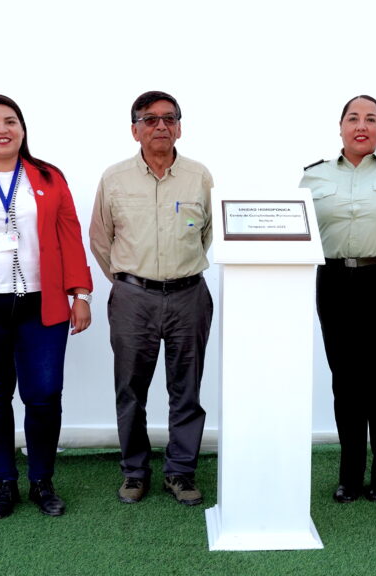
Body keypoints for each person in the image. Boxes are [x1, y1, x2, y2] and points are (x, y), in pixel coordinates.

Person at [0, 93, 93, 519]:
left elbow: (69, 236)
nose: (2, 129)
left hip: (41, 306)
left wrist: (80, 293)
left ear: (22, 128)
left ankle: (41, 479)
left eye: (10, 121)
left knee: (43, 395)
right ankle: (4, 483)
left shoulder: (47, 176)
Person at [90, 91, 213, 507]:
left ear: (179, 126)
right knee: (130, 390)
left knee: (186, 390)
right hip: (132, 299)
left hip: (188, 296)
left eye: (169, 118)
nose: (160, 126)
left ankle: (180, 472)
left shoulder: (199, 176)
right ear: (135, 130)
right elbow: (100, 239)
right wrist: (127, 283)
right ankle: (135, 472)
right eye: (150, 119)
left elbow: (209, 232)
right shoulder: (114, 178)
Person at [299, 95, 376, 504]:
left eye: (371, 119)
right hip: (333, 281)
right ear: (340, 127)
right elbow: (295, 230)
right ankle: (350, 475)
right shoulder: (313, 177)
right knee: (345, 380)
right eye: (353, 118)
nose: (361, 125)